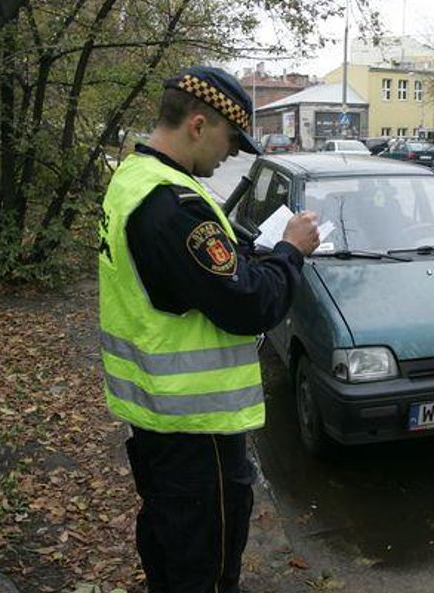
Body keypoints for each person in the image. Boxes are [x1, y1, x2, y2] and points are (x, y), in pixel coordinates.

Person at [97, 66, 320, 593]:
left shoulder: (134, 178)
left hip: (159, 418)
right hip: (197, 432)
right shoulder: (173, 205)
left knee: (169, 544)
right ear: (198, 125)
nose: (231, 155)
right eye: (229, 140)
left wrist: (247, 257)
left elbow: (192, 278)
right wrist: (290, 251)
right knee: (204, 567)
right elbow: (249, 305)